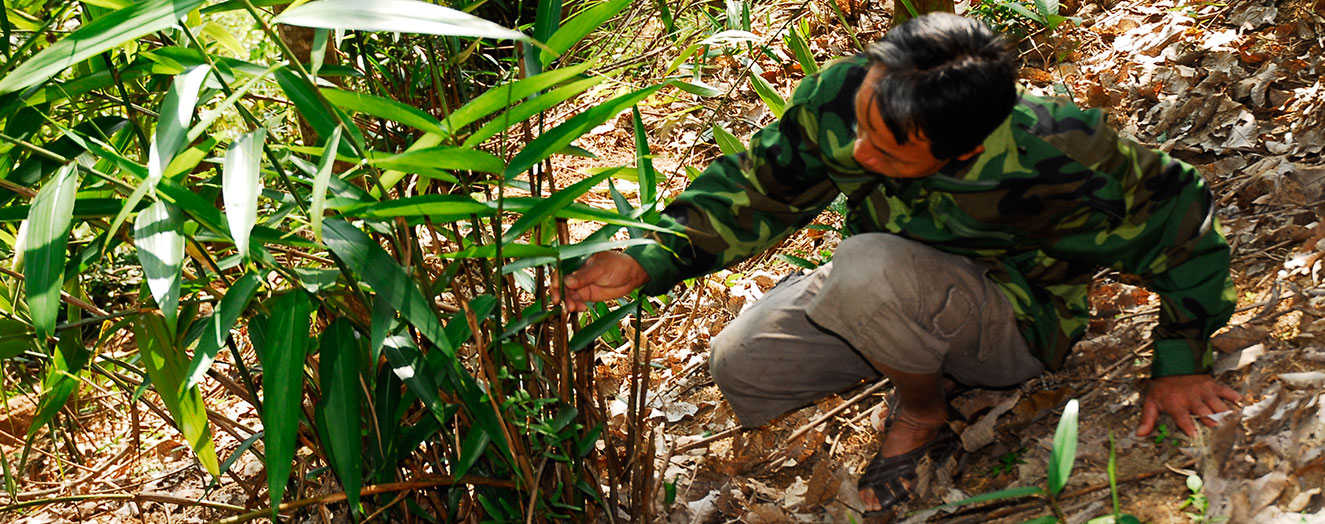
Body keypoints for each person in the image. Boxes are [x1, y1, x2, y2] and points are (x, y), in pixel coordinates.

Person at [551, 13, 1241, 517]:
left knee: (864, 268)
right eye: (857, 123)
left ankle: (920, 411)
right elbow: (759, 186)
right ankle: (890, 336)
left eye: (887, 153)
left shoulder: (1060, 149)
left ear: (963, 151)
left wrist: (1180, 357)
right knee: (743, 367)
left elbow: (1181, 220)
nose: (857, 153)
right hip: (881, 281)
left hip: (1008, 317)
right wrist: (653, 256)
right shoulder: (843, 96)